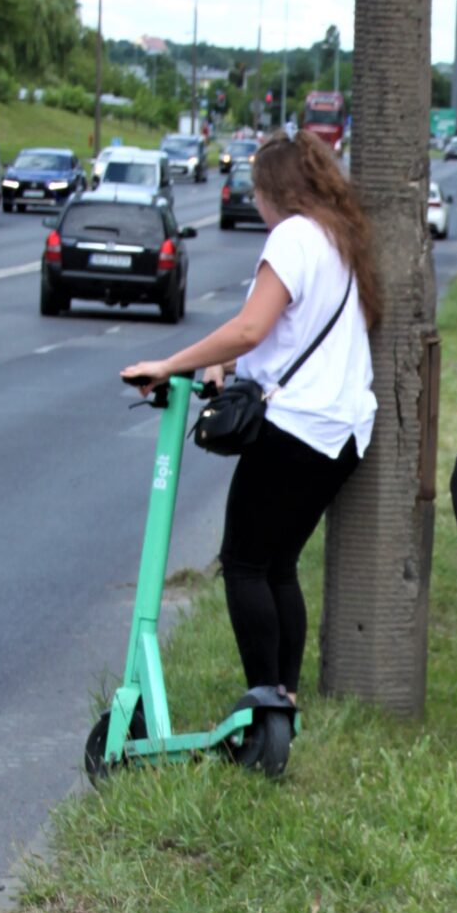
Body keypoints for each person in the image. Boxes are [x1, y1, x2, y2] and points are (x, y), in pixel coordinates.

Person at [120, 129, 378, 715]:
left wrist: (168, 363)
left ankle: (264, 703)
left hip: (297, 429)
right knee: (277, 563)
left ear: (271, 191)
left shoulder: (291, 237)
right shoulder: (339, 239)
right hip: (343, 433)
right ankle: (282, 696)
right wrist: (223, 363)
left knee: (242, 563)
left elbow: (250, 327)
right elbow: (296, 333)